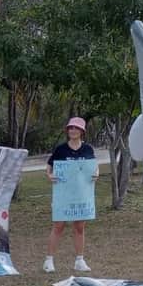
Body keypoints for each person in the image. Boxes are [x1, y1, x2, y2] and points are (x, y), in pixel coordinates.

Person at [44, 117, 99, 273]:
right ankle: (49, 260)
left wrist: (96, 174)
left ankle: (79, 260)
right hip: (63, 194)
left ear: (82, 131)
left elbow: (93, 168)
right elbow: (49, 166)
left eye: (76, 128)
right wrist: (50, 175)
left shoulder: (88, 149)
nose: (73, 131)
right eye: (70, 128)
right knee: (59, 226)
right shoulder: (61, 149)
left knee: (79, 227)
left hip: (82, 194)